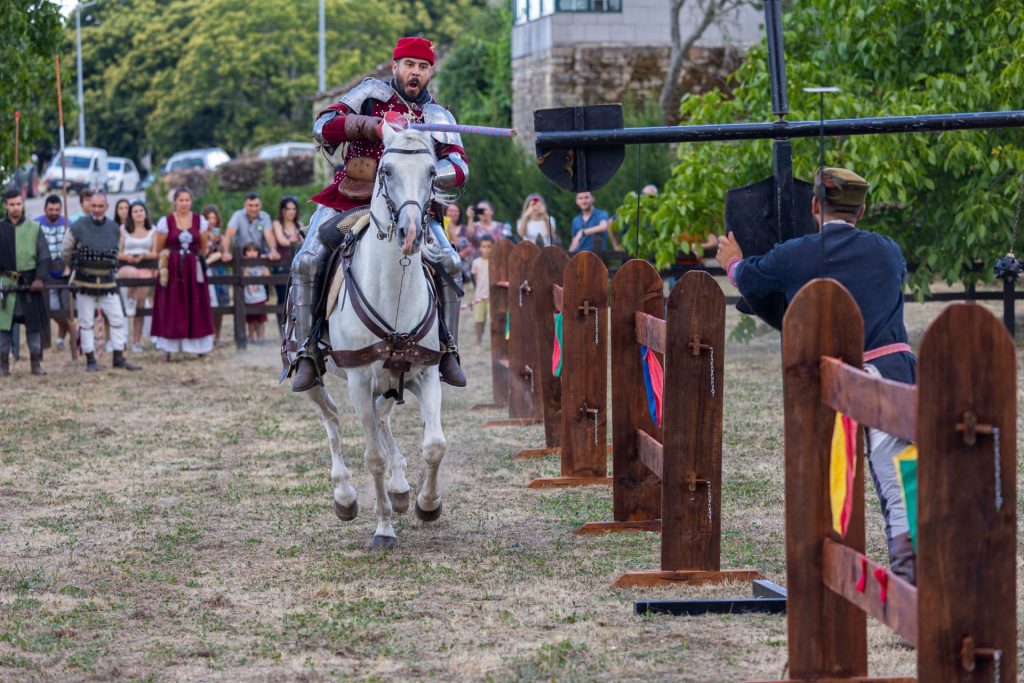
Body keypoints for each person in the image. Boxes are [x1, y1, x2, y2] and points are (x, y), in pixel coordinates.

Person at [716, 166, 917, 584]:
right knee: (903, 481)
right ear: (860, 210)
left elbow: (750, 278)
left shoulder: (795, 254)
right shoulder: (888, 250)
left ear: (814, 206)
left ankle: (877, 580)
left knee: (827, 480)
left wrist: (732, 263)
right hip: (893, 375)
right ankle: (911, 573)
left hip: (834, 382)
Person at [288, 35, 470, 392]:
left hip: (412, 208)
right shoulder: (369, 95)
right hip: (350, 200)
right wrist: (374, 126)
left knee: (450, 262)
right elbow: (322, 126)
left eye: (423, 67)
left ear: (430, 72)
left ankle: (448, 348)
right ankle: (308, 350)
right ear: (395, 67)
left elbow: (460, 165)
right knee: (307, 261)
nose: (415, 73)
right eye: (409, 65)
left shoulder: (437, 116)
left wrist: (432, 171)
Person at [61, 192, 141, 372]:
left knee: (118, 318)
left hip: (107, 281)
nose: (96, 210)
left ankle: (118, 357)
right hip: (84, 281)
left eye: (100, 206)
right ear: (89, 206)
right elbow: (66, 250)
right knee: (86, 322)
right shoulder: (78, 226)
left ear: (106, 207)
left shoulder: (114, 228)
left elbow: (116, 252)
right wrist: (75, 266)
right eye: (93, 206)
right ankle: (90, 359)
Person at [150, 187, 215, 359]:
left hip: (193, 267)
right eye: (181, 200)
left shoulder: (198, 220)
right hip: (172, 268)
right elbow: (159, 247)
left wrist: (191, 258)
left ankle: (198, 346)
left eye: (187, 200)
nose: (184, 203)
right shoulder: (167, 221)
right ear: (175, 202)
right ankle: (169, 346)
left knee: (196, 303)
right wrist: (174, 258)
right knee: (173, 305)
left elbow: (203, 246)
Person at [0, 189, 50, 376]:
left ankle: (35, 364)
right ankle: (3, 364)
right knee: (2, 327)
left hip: (30, 284)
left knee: (33, 326)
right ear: (6, 205)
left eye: (18, 204)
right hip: (6, 284)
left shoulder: (34, 228)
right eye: (12, 204)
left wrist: (39, 279)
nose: (15, 208)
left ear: (23, 204)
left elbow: (44, 257)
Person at [117, 200, 157, 352]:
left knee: (140, 308)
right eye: (135, 211)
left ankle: (136, 341)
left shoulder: (152, 230)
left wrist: (144, 255)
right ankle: (130, 300)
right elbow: (117, 253)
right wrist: (128, 258)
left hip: (145, 267)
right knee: (134, 274)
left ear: (145, 213)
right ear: (131, 215)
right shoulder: (123, 230)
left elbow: (155, 252)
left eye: (141, 210)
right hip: (127, 267)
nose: (139, 213)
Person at [35, 194, 71, 350]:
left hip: (64, 273)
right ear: (45, 209)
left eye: (57, 210)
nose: (54, 212)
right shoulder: (36, 224)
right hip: (46, 273)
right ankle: (75, 332)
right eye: (51, 209)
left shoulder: (68, 223)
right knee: (54, 309)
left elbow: (72, 248)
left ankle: (61, 339)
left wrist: (69, 266)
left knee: (67, 308)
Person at [271, 196, 303, 337]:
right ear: (283, 211)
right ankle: (282, 331)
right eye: (288, 209)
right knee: (282, 299)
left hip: (297, 265)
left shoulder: (300, 224)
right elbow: (282, 241)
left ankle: (295, 331)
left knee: (298, 298)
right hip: (282, 266)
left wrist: (293, 240)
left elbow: (305, 241)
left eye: (293, 209)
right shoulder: (277, 224)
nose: (291, 212)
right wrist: (295, 240)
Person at [201, 204, 229, 346]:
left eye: (214, 217)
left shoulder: (220, 235)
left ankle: (217, 335)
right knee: (206, 304)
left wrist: (221, 247)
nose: (211, 220)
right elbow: (202, 251)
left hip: (218, 271)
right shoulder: (201, 235)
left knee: (220, 303)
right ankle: (207, 335)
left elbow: (225, 252)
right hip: (205, 270)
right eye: (208, 218)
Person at [222, 193, 280, 263]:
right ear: (244, 206)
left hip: (259, 257)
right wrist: (225, 252)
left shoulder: (265, 217)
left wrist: (273, 250)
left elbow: (269, 236)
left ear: (261, 205)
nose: (254, 209)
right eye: (250, 205)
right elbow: (228, 236)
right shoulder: (238, 216)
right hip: (241, 258)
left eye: (256, 205)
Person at [242, 242, 269, 343]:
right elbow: (244, 277)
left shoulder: (260, 266)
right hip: (248, 298)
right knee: (250, 320)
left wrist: (263, 261)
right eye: (248, 251)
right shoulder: (244, 266)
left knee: (261, 319)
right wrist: (245, 264)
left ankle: (261, 336)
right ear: (245, 254)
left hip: (260, 297)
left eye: (254, 251)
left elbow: (267, 275)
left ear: (258, 252)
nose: (252, 253)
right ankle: (251, 336)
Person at [470, 234, 493, 345]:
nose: (486, 249)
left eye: (489, 246)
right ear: (480, 248)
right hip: (479, 295)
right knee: (478, 319)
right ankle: (478, 341)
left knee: (492, 319)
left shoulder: (495, 262)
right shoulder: (476, 262)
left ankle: (494, 341)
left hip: (492, 296)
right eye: (483, 246)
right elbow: (475, 279)